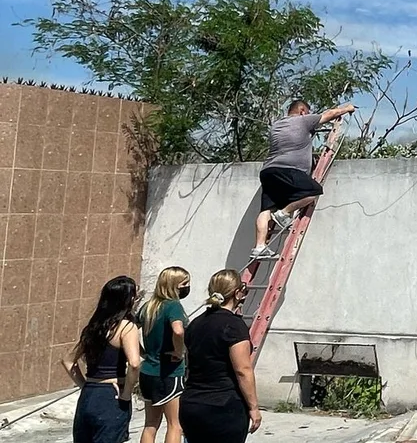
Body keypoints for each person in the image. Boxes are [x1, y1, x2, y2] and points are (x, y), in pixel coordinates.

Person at [251, 99, 356, 259]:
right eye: (307, 111)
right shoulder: (303, 120)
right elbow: (330, 114)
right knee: (313, 191)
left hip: (268, 171)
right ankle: (283, 214)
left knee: (266, 209)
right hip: (289, 169)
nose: (309, 114)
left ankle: (259, 247)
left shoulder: (276, 126)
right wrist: (348, 108)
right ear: (302, 111)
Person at [179, 270, 262, 443]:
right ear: (237, 293)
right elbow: (243, 370)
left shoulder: (196, 323)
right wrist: (254, 407)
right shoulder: (234, 325)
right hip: (223, 405)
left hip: (192, 403)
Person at [62, 275, 142, 443]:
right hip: (111, 395)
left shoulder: (93, 327)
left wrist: (85, 385)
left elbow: (68, 360)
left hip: (89, 394)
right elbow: (134, 364)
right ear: (129, 299)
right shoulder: (126, 327)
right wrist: (127, 394)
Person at [138, 266, 191, 443]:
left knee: (150, 424)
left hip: (147, 372)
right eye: (185, 283)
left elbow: (129, 328)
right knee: (174, 425)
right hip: (169, 372)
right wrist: (179, 351)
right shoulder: (173, 306)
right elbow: (178, 330)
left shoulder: (149, 307)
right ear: (174, 285)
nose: (188, 287)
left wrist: (141, 352)